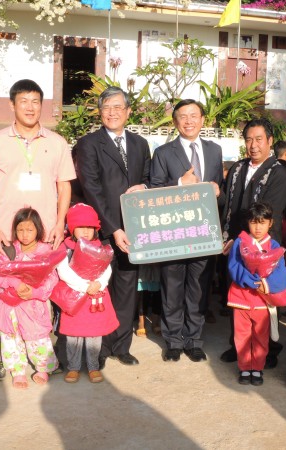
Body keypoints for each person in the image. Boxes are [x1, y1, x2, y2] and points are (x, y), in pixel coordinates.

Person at [0, 79, 75, 379]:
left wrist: (60, 223)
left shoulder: (56, 142)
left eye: (35, 101)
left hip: (45, 237)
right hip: (6, 234)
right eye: (24, 101)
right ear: (12, 105)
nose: (30, 107)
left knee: (45, 293)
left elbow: (64, 186)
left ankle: (47, 354)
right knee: (2, 294)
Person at [74, 86, 151, 367]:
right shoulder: (89, 144)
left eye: (118, 107)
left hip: (134, 230)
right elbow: (91, 188)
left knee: (128, 286)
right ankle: (101, 347)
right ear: (100, 112)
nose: (113, 112)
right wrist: (113, 228)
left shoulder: (141, 144)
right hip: (105, 230)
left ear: (128, 112)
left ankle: (121, 345)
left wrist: (143, 185)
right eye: (107, 107)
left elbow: (147, 179)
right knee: (101, 289)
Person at [150, 99, 224, 362]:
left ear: (203, 120)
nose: (189, 121)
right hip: (174, 233)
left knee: (199, 288)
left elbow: (221, 190)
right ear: (175, 121)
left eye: (194, 115)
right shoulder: (163, 153)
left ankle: (194, 339)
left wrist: (218, 190)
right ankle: (173, 340)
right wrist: (181, 182)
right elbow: (155, 190)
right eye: (183, 116)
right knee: (172, 288)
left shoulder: (215, 151)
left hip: (204, 232)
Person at [220, 118, 286, 366]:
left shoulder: (280, 172)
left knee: (265, 298)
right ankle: (238, 345)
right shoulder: (238, 168)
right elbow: (228, 206)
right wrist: (228, 237)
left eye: (259, 139)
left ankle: (269, 348)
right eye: (249, 139)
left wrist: (244, 241)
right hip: (236, 245)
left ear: (270, 141)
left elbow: (267, 212)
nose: (253, 145)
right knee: (238, 296)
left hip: (265, 247)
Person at [0, 208, 59, 389]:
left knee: (37, 337)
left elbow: (51, 278)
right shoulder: (10, 251)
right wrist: (15, 283)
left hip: (33, 305)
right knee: (11, 338)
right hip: (10, 306)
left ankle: (43, 368)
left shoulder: (45, 251)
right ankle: (18, 371)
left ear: (38, 230)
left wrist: (34, 292)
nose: (24, 235)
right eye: (20, 230)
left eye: (29, 230)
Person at [227, 202, 286, 386]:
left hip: (263, 299)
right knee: (242, 335)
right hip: (241, 297)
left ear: (270, 223)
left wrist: (267, 285)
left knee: (261, 336)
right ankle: (245, 368)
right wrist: (252, 281)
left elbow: (281, 270)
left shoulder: (274, 244)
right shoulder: (240, 242)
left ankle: (258, 368)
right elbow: (234, 266)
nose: (257, 227)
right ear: (248, 223)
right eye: (254, 223)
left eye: (262, 223)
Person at [56, 203, 118, 384]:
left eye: (89, 227)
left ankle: (93, 367)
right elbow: (63, 271)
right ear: (72, 228)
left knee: (94, 335)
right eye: (80, 227)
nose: (85, 231)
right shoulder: (65, 247)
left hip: (95, 298)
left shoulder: (100, 246)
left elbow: (106, 268)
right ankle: (73, 367)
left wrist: (100, 283)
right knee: (73, 335)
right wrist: (84, 286)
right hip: (75, 298)